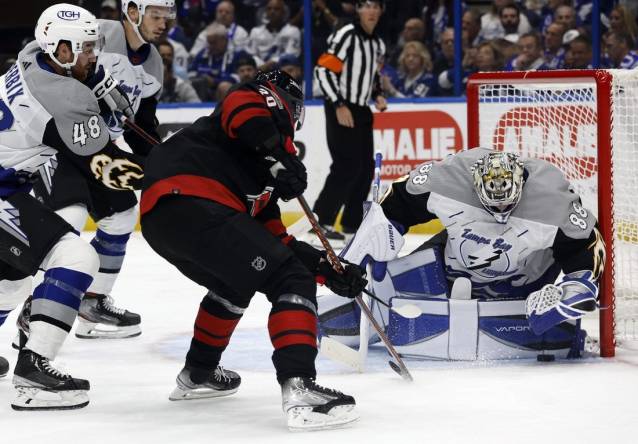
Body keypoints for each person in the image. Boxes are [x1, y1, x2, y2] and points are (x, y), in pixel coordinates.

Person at [139, 70, 367, 431]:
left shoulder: (262, 177)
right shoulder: (250, 104)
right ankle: (300, 388)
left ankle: (198, 373)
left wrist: (329, 269)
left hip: (166, 219)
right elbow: (240, 107)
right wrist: (279, 155)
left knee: (238, 282)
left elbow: (281, 244)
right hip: (195, 202)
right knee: (289, 279)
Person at [320, 148, 604, 360]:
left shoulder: (552, 200)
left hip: (519, 286)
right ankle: (308, 318)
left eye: (508, 206)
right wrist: (382, 230)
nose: (500, 215)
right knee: (369, 299)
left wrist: (576, 287)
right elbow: (398, 199)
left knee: (554, 335)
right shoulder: (449, 178)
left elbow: (586, 245)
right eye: (492, 206)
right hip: (449, 270)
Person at [0, 3, 144, 409]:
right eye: (83, 49)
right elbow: (108, 165)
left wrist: (92, 78)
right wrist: (175, 173)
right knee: (76, 256)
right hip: (3, 192)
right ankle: (34, 371)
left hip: (8, 187)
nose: (92, 55)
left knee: (12, 278)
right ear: (60, 50)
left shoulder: (34, 54)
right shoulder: (61, 97)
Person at [11, 0, 172, 347]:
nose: (163, 22)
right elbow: (104, 161)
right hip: (60, 151)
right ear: (132, 11)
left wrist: (159, 155)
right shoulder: (86, 49)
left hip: (81, 143)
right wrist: (170, 174)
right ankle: (38, 307)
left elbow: (140, 126)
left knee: (122, 213)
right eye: (156, 13)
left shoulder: (149, 62)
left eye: (167, 14)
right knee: (66, 227)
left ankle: (91, 302)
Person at [313, 0, 387, 243]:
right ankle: (320, 221)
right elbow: (323, 71)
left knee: (364, 169)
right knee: (346, 165)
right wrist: (338, 104)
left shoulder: (378, 44)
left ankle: (351, 224)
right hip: (341, 105)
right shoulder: (346, 35)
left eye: (376, 6)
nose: (372, 11)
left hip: (361, 108)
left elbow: (373, 76)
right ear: (358, 10)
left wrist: (377, 94)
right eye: (366, 6)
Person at [189, 22, 238, 101]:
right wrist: (201, 77)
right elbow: (191, 72)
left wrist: (214, 82)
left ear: (224, 40)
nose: (210, 46)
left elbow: (237, 78)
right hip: (203, 89)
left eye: (213, 43)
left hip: (224, 92)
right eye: (209, 43)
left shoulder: (235, 55)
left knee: (224, 86)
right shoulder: (203, 54)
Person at [247, 0, 301, 71]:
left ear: (284, 12)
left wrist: (272, 63)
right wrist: (261, 65)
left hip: (283, 70)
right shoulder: (255, 32)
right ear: (265, 12)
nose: (272, 12)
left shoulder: (293, 31)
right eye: (269, 9)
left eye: (276, 9)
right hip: (260, 69)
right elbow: (252, 54)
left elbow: (292, 54)